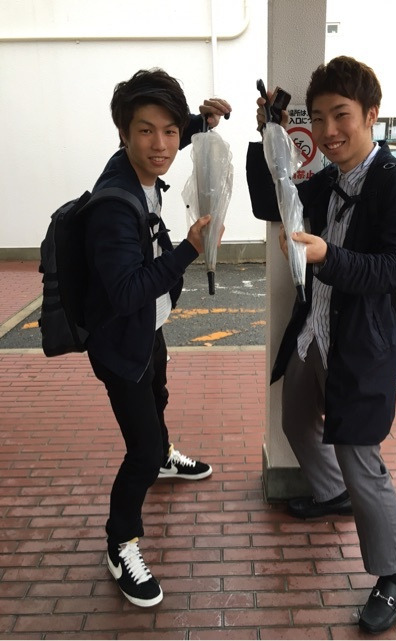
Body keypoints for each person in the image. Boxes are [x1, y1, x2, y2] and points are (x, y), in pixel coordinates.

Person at [246, 56, 396, 634]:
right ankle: (330, 494)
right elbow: (272, 200)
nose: (328, 131)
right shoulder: (329, 180)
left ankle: (394, 571)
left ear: (371, 114)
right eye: (319, 118)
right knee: (296, 420)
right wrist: (268, 134)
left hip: (362, 346)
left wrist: (329, 257)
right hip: (314, 333)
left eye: (341, 115)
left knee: (360, 461)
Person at [83, 68, 231, 607]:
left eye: (170, 131)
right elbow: (125, 293)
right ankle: (120, 541)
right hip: (121, 343)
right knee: (140, 451)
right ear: (123, 134)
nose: (162, 144)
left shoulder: (143, 165)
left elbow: (171, 132)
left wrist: (201, 123)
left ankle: (164, 456)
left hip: (149, 326)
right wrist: (189, 249)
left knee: (160, 394)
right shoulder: (114, 205)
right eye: (146, 131)